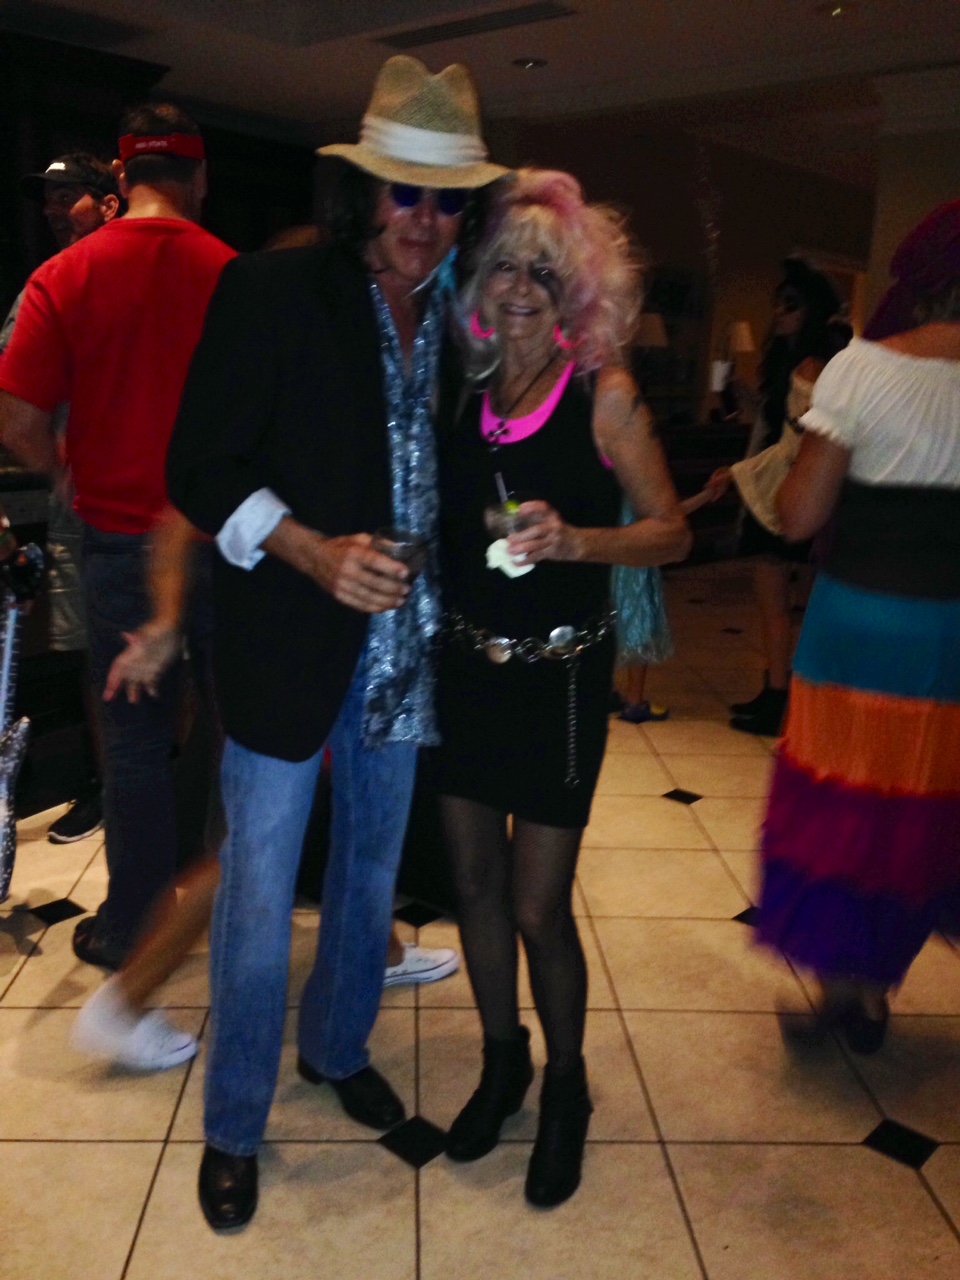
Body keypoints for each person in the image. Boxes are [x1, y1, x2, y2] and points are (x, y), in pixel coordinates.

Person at [166, 55, 507, 1231]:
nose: (425, 219)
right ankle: (234, 1122)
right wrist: (310, 550)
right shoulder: (273, 290)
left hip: (406, 650)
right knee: (260, 894)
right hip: (288, 638)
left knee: (369, 874)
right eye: (407, 191)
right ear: (363, 188)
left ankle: (337, 1044)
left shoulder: (461, 318)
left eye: (447, 199)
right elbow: (199, 466)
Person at [434, 169, 690, 1207]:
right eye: (506, 267)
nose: (521, 289)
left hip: (562, 684)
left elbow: (671, 532)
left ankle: (567, 1086)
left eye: (544, 273)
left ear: (577, 290)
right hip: (464, 669)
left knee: (539, 906)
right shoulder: (461, 388)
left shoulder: (604, 393)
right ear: (479, 282)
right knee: (473, 887)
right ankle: (503, 1061)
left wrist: (580, 541)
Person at [0, 105, 236, 981]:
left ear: (122, 178)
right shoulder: (234, 274)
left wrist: (66, 471)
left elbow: (16, 418)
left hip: (114, 540)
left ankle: (132, 927)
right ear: (200, 178)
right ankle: (233, 905)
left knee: (133, 746)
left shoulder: (64, 274)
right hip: (224, 540)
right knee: (237, 735)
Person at [758, 200, 960, 1053]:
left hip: (858, 627)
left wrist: (803, 435)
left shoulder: (861, 369)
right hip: (948, 637)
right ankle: (873, 991)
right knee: (920, 806)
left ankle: (844, 989)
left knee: (843, 804)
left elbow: (799, 515)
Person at [0, 153, 123, 844]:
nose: (53, 208)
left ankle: (141, 783)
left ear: (109, 202)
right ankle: (118, 786)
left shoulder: (119, 273)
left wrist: (59, 470)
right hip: (104, 506)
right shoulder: (49, 283)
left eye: (68, 194)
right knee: (101, 652)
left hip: (137, 504)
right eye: (47, 198)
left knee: (150, 650)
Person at [710, 259, 841, 736]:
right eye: (778, 305)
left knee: (775, 602)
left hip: (787, 494)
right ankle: (777, 694)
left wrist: (738, 473)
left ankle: (779, 698)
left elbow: (797, 445)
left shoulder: (810, 367)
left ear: (811, 312)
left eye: (791, 306)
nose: (779, 313)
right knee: (777, 602)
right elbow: (777, 428)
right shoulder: (796, 362)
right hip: (787, 488)